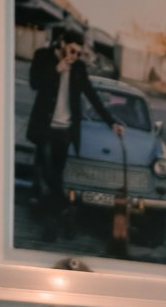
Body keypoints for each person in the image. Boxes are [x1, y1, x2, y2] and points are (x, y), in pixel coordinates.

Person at [26, 27, 124, 237]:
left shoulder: (78, 67)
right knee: (48, 179)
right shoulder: (42, 57)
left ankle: (56, 221)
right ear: (61, 44)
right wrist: (57, 69)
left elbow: (92, 95)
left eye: (79, 53)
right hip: (45, 130)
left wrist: (111, 123)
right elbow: (34, 84)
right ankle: (59, 220)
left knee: (55, 178)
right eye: (71, 51)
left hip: (65, 131)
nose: (74, 56)